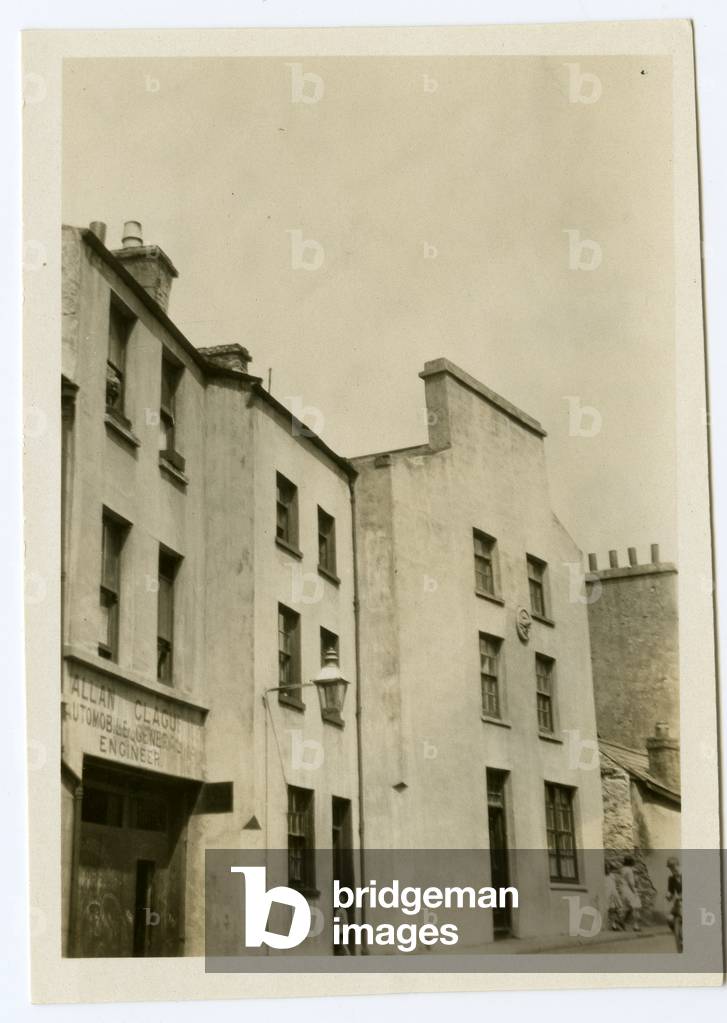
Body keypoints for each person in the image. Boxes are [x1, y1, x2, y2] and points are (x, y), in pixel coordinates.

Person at [620, 855, 642, 931]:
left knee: (628, 908)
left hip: (623, 890)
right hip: (629, 890)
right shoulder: (629, 870)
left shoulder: (622, 869)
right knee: (636, 907)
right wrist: (635, 891)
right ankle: (636, 926)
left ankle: (621, 921)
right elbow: (631, 882)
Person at [665, 857, 683, 952]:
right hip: (678, 904)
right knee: (669, 919)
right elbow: (670, 891)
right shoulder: (671, 879)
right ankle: (677, 934)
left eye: (674, 867)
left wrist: (680, 896)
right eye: (670, 868)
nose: (673, 870)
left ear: (678, 865)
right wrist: (668, 895)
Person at [604, 862, 624, 930]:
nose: (608, 870)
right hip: (607, 895)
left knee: (618, 909)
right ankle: (614, 925)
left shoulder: (612, 876)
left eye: (609, 868)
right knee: (611, 910)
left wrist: (616, 894)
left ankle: (619, 921)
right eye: (606, 868)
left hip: (614, 894)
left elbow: (614, 886)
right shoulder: (603, 877)